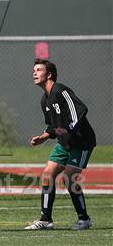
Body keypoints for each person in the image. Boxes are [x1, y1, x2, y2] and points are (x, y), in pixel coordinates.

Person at [25, 59, 96, 230]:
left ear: (49, 74)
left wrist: (69, 129)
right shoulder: (45, 100)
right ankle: (46, 220)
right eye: (33, 70)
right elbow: (52, 126)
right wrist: (43, 136)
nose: (34, 73)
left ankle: (84, 219)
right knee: (47, 175)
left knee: (69, 177)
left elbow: (79, 109)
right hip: (64, 144)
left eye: (38, 70)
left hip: (81, 142)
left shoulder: (60, 90)